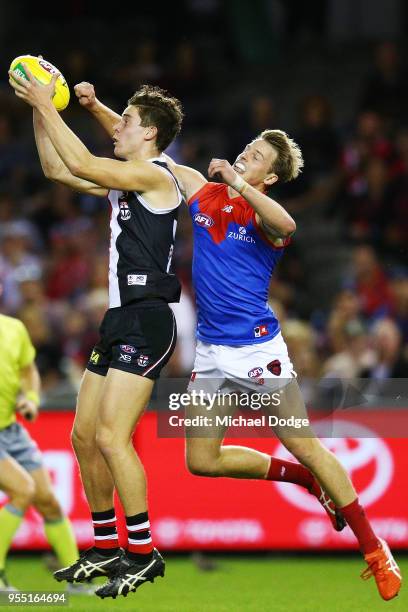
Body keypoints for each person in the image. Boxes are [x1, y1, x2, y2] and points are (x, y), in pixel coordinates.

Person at [70, 81, 401, 602]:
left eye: (258, 158)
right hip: (211, 352)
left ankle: (374, 548)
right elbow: (141, 146)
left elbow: (286, 222)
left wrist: (241, 185)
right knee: (201, 461)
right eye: (248, 148)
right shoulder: (200, 190)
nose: (246, 156)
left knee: (304, 441)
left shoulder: (263, 216)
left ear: (269, 176)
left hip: (257, 350)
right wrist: (93, 108)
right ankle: (302, 481)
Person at [9, 67, 184, 599]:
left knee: (112, 437)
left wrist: (47, 104)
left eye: (126, 120)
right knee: (83, 436)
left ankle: (143, 551)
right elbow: (59, 170)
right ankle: (107, 548)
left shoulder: (158, 174)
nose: (118, 127)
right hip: (118, 319)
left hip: (149, 317)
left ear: (149, 133)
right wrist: (44, 114)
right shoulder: (126, 181)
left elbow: (83, 160)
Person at [0, 311, 81, 593]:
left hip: (10, 428)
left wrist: (31, 398)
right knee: (23, 490)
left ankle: (75, 580)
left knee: (48, 500)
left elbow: (28, 370)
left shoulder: (14, 328)